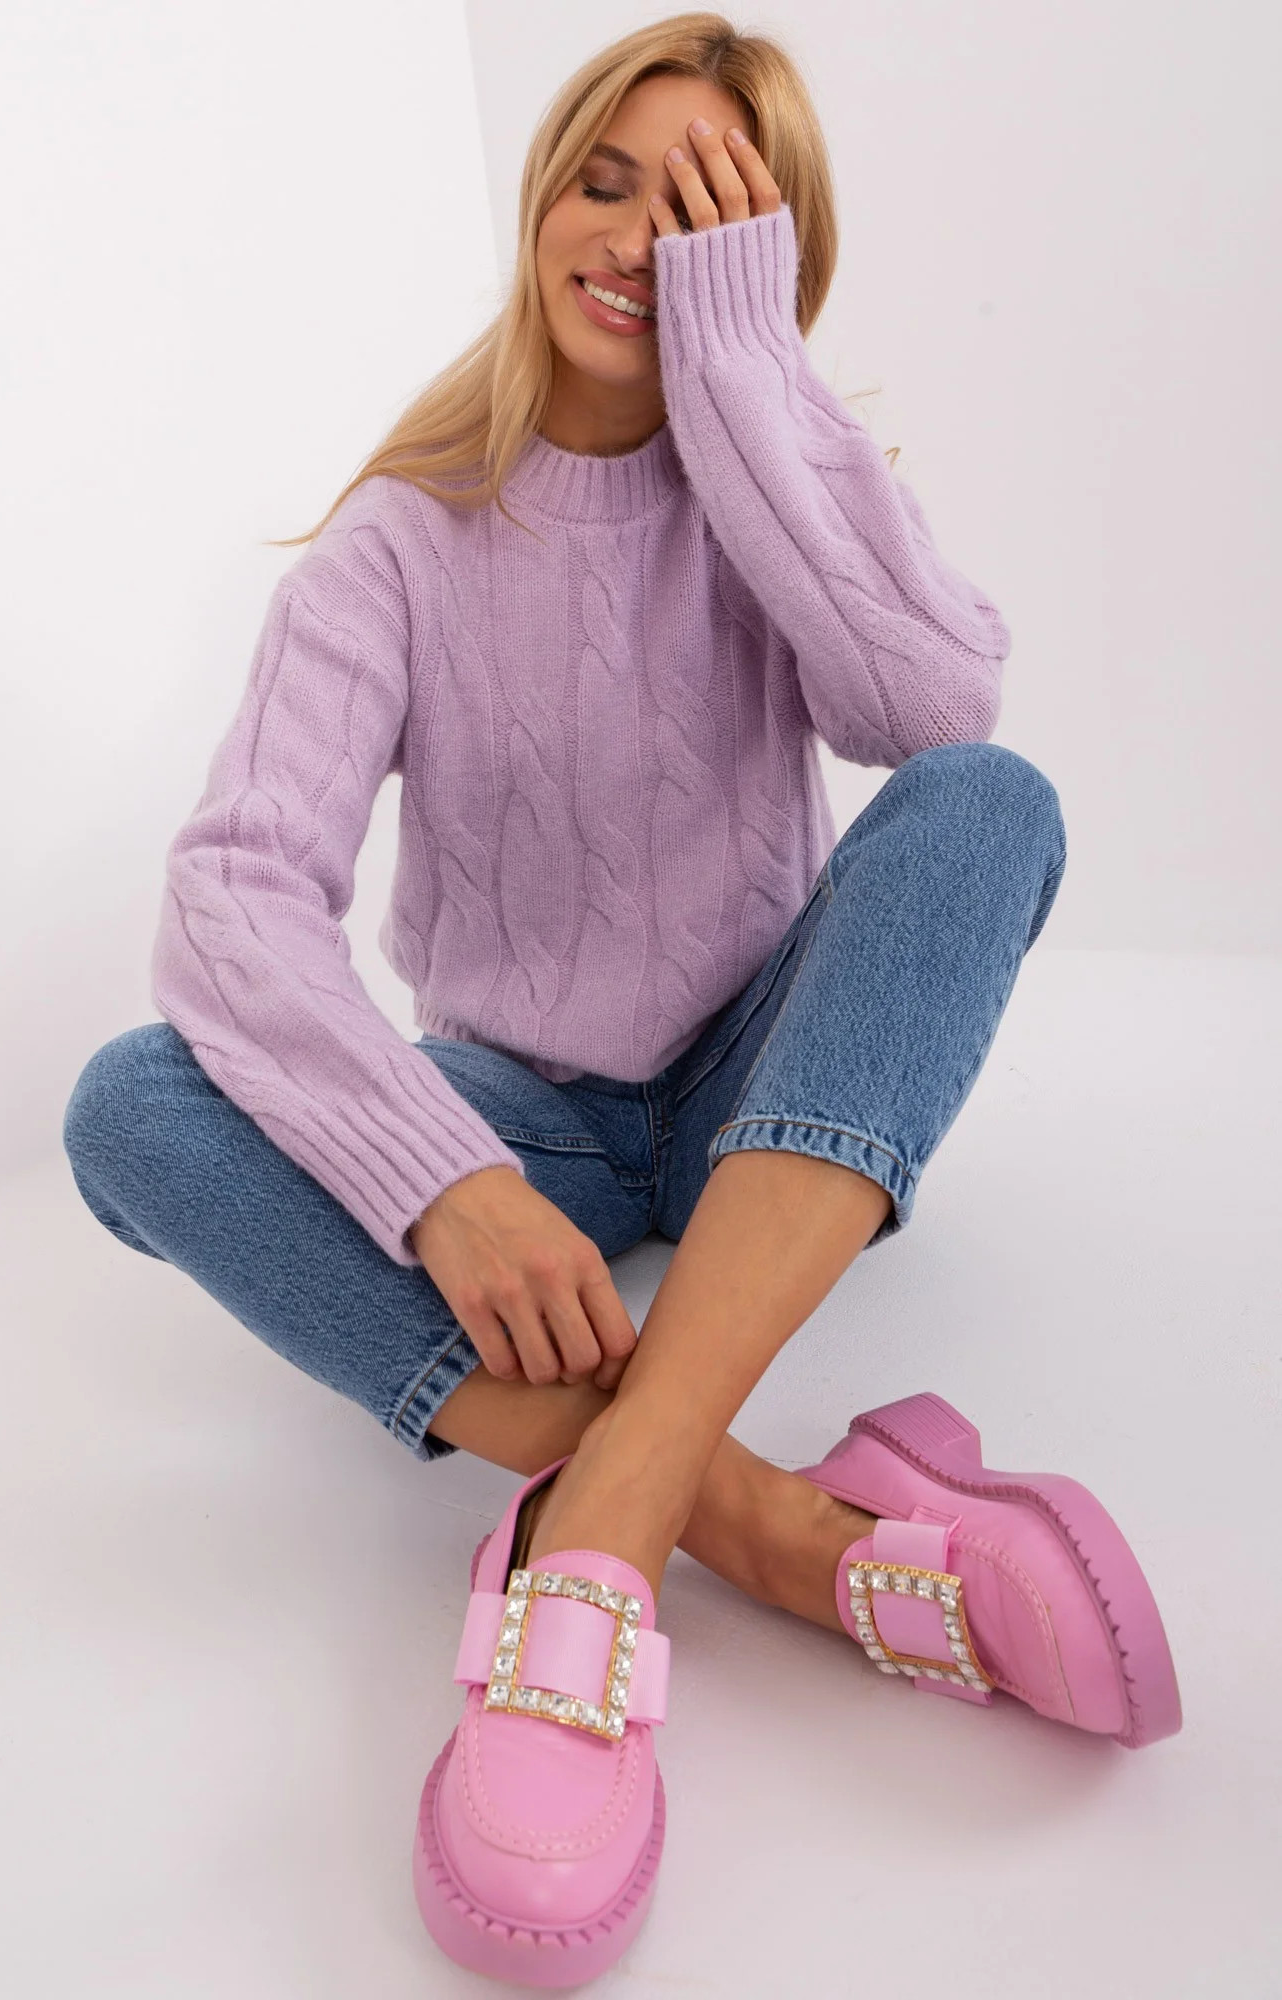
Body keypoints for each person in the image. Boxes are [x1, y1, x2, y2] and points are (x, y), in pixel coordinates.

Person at [62, 12, 1181, 1987]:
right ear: (539, 195)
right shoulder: (401, 542)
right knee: (129, 1107)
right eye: (606, 183)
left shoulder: (785, 488)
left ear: (764, 266)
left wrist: (746, 375)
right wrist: (444, 1183)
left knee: (989, 806)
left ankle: (615, 1506)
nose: (634, 244)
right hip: (529, 1126)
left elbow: (934, 716)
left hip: (770, 1087)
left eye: (704, 217)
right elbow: (234, 897)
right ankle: (764, 1522)